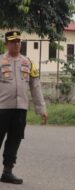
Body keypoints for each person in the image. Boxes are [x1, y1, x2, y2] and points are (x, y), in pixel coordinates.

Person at [0, 31, 48, 184]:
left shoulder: (27, 62)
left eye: (19, 41)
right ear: (6, 44)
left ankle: (7, 171)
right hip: (2, 108)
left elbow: (35, 87)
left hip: (20, 109)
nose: (17, 44)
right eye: (13, 41)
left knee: (14, 140)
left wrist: (41, 109)